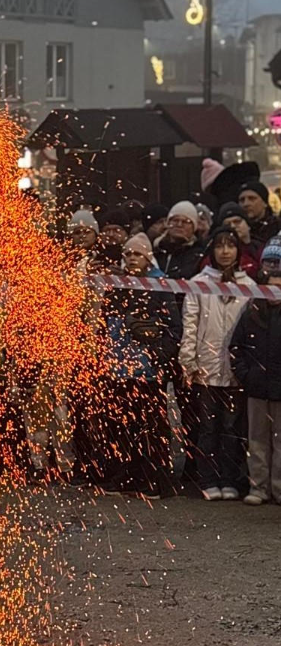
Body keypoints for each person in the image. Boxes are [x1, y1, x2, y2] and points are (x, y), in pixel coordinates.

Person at [98, 233, 181, 499]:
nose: (132, 258)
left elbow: (174, 328)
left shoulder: (159, 285)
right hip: (120, 369)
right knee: (122, 426)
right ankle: (127, 475)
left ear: (147, 257)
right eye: (128, 254)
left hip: (148, 371)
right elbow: (105, 322)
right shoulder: (116, 285)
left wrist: (157, 358)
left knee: (152, 427)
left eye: (137, 254)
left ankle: (154, 478)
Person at [179, 227, 254, 501]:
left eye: (230, 246)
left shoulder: (249, 285)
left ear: (238, 250)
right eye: (220, 246)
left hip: (235, 371)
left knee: (232, 428)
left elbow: (251, 329)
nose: (225, 251)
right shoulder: (199, 282)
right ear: (212, 250)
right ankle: (208, 478)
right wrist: (189, 361)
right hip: (206, 369)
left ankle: (230, 478)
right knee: (208, 427)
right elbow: (190, 324)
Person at [153, 200, 205, 482]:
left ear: (194, 226)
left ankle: (194, 466)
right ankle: (160, 464)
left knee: (190, 407)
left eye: (185, 221)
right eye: (174, 220)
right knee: (156, 407)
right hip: (159, 338)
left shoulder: (199, 254)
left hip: (187, 333)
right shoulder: (156, 251)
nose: (178, 225)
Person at [230, 236, 281, 505]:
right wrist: (246, 375)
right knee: (257, 442)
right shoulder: (252, 311)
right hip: (257, 388)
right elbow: (236, 346)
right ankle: (258, 487)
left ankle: (278, 488)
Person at [216, 202, 262, 277]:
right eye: (227, 224)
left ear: (248, 224)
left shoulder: (261, 249)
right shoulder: (218, 254)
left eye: (237, 222)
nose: (233, 226)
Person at [238, 180, 281, 245]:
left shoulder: (278, 226)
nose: (246, 204)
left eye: (252, 198)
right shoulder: (236, 230)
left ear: (265, 203)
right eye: (242, 200)